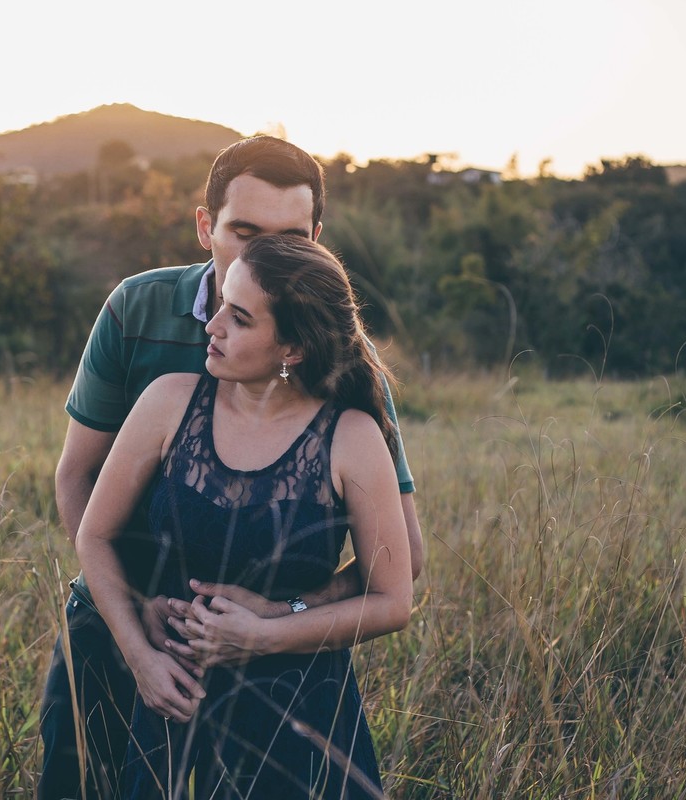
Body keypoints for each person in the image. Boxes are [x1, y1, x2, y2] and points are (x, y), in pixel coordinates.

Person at [38, 135, 423, 799]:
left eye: (290, 237)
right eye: (243, 231)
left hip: (274, 669)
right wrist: (134, 610)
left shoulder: (340, 367)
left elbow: (397, 568)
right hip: (122, 619)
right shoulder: (137, 313)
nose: (263, 254)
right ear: (203, 226)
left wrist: (273, 619)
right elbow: (78, 480)